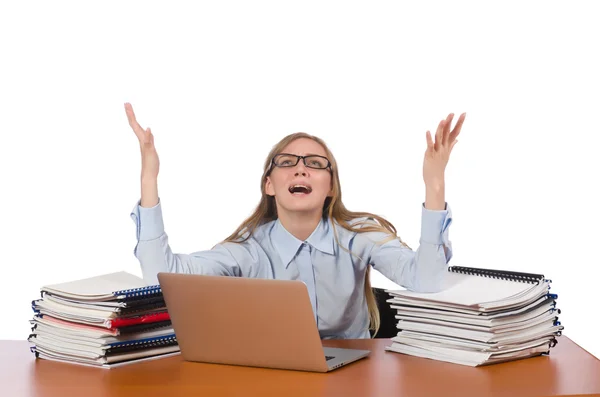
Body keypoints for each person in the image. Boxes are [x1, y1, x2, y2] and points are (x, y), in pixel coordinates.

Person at [125, 102, 466, 339]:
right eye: (287, 161)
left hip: (356, 376)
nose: (301, 167)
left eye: (316, 163)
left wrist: (434, 185)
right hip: (274, 376)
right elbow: (161, 275)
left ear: (330, 187)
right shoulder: (248, 250)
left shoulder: (357, 236)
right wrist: (148, 180)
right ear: (269, 184)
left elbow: (428, 280)